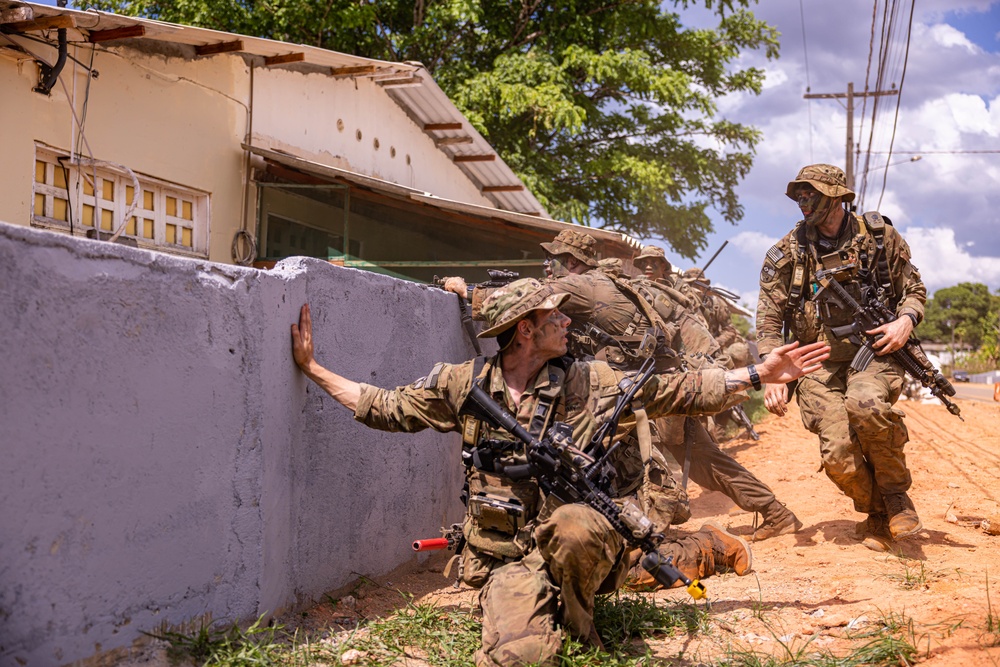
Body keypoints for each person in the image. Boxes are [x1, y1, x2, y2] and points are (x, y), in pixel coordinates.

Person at [291, 278, 829, 666]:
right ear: (525, 330)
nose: (570, 323)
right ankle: (682, 552)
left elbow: (674, 391)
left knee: (585, 535)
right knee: (519, 654)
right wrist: (314, 370)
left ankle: (664, 572)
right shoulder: (465, 384)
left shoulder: (586, 381)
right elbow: (386, 405)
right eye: (557, 318)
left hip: (579, 537)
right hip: (506, 559)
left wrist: (757, 373)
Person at [756, 163, 927, 552]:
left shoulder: (880, 237)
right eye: (798, 195)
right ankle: (878, 511)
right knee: (837, 453)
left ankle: (898, 497)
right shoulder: (788, 252)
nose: (802, 202)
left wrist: (905, 320)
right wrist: (771, 372)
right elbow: (768, 317)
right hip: (817, 362)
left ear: (836, 198)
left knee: (864, 405)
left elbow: (913, 288)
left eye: (810, 194)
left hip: (876, 352)